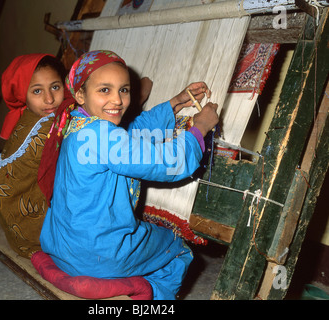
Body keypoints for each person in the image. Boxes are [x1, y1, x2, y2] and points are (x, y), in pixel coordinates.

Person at [39, 50, 219, 299]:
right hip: (98, 255)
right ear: (80, 94)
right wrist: (199, 129)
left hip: (64, 248)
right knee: (177, 249)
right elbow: (167, 162)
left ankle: (125, 277)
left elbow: (131, 135)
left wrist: (174, 104)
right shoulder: (104, 137)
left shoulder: (75, 122)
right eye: (105, 90)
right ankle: (149, 296)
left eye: (123, 90)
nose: (117, 100)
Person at [0, 53, 67, 258]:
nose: (49, 99)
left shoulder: (30, 115)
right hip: (33, 231)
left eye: (55, 87)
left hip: (15, 229)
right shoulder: (45, 127)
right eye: (37, 91)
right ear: (23, 95)